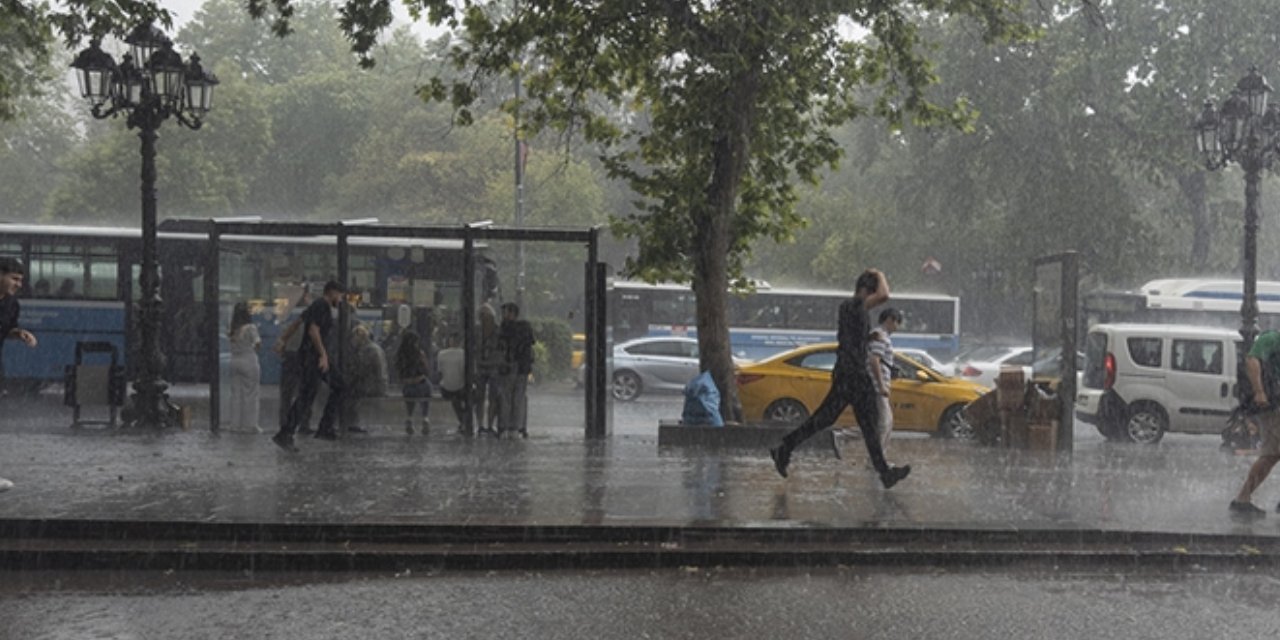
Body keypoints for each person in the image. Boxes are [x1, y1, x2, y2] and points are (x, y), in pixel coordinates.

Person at [769, 270, 911, 489]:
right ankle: (785, 448)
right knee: (861, 423)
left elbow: (851, 338)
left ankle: (785, 448)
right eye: (871, 292)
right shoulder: (854, 305)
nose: (875, 299)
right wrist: (879, 273)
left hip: (849, 373)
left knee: (840, 420)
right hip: (852, 375)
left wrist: (867, 338)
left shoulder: (853, 310)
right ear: (865, 290)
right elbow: (885, 295)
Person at [273, 280, 347, 452]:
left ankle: (307, 430)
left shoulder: (316, 306)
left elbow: (298, 322)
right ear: (332, 292)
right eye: (340, 295)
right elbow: (313, 330)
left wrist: (282, 340)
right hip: (313, 358)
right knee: (329, 389)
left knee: (314, 393)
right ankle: (292, 432)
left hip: (310, 357)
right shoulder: (322, 305)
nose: (341, 300)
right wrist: (323, 354)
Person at [831, 307, 901, 460]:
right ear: (889, 320)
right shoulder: (881, 337)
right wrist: (881, 385)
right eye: (897, 323)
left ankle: (842, 437)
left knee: (878, 424)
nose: (898, 327)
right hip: (875, 387)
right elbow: (874, 360)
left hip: (873, 385)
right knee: (884, 423)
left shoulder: (877, 336)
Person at [1229, 330, 1280, 518]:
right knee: (1271, 454)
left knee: (1272, 455)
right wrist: (1259, 392)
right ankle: (1241, 500)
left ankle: (1242, 500)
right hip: (1273, 406)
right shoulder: (1272, 339)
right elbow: (1252, 359)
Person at [0, 257, 38, 493]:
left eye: (20, 280)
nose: (18, 284)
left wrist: (19, 333)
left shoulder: (12, 304)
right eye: (14, 278)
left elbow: (5, 330)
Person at [273, 291, 314, 434]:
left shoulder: (287, 319)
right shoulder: (308, 322)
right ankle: (304, 424)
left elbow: (280, 343)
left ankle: (284, 422)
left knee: (286, 394)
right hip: (303, 358)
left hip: (290, 358)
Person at [497, 302, 535, 438]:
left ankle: (506, 426)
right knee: (519, 397)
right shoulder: (525, 328)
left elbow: (503, 346)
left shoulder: (506, 328)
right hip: (523, 367)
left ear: (511, 313)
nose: (504, 315)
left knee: (507, 396)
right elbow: (530, 345)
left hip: (510, 366)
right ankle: (517, 427)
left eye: (506, 312)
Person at [341, 324, 388, 433]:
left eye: (354, 337)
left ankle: (352, 423)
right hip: (377, 384)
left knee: (348, 393)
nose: (352, 340)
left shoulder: (368, 350)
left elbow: (360, 371)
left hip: (372, 386)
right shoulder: (374, 347)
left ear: (360, 337)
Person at [227, 301, 262, 433]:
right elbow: (258, 343)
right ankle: (250, 425)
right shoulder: (250, 328)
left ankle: (235, 425)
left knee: (236, 395)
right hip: (248, 360)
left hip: (234, 361)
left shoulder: (233, 329)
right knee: (251, 394)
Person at [395, 329, 432, 435]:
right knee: (426, 391)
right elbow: (426, 370)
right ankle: (425, 417)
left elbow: (399, 372)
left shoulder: (400, 355)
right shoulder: (419, 354)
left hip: (408, 386)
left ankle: (409, 417)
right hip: (421, 384)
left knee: (410, 397)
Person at [475, 303, 502, 435]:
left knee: (494, 397)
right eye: (482, 317)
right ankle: (480, 425)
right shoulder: (476, 331)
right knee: (479, 397)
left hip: (494, 367)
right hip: (480, 366)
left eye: (486, 317)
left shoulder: (498, 331)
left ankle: (490, 425)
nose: (484, 320)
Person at [435, 332, 469, 431]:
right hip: (462, 388)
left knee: (455, 399)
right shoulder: (464, 354)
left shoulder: (441, 354)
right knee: (464, 397)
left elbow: (440, 372)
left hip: (446, 389)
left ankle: (462, 421)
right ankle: (464, 420)